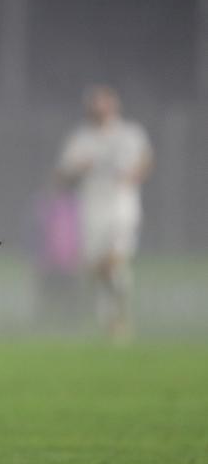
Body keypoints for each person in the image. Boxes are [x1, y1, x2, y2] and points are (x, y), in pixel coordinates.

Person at [55, 86, 153, 340]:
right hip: (91, 205)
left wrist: (134, 175)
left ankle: (118, 319)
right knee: (95, 265)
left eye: (104, 103)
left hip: (121, 203)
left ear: (113, 105)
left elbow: (145, 160)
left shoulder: (130, 134)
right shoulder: (81, 138)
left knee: (115, 259)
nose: (99, 109)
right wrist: (77, 169)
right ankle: (112, 321)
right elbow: (63, 173)